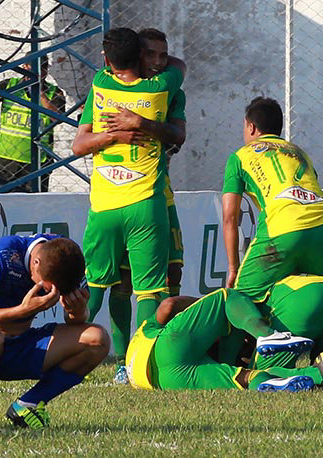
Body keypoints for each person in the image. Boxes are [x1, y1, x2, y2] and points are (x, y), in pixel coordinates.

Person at [71, 27, 185, 382]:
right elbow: (180, 68)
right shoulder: (163, 86)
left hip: (132, 200)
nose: (157, 61)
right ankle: (132, 363)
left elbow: (179, 135)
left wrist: (138, 126)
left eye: (162, 56)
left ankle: (143, 357)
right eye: (149, 54)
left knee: (163, 277)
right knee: (134, 285)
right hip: (144, 202)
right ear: (137, 56)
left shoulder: (100, 84)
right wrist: (128, 129)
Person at [0, 234, 109, 431]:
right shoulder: (1, 257)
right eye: (48, 288)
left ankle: (28, 406)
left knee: (97, 339)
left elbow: (76, 320)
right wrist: (22, 310)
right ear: (35, 263)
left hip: (19, 345)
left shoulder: (66, 260)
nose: (52, 293)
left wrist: (77, 311)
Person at [125, 288, 323, 392]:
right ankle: (266, 334)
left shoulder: (138, 348)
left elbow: (168, 307)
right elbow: (168, 305)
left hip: (164, 382)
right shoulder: (146, 332)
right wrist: (212, 308)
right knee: (228, 297)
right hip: (166, 348)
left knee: (247, 378)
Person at [222, 97, 323, 302]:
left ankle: (262, 333)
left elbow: (230, 218)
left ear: (251, 127)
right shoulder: (299, 153)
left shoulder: (240, 157)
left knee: (240, 302)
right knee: (316, 297)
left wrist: (233, 268)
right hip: (322, 225)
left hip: (283, 227)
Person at [0, 54, 65, 192]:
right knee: (0, 203)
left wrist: (40, 93)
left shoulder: (54, 92)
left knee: (34, 207)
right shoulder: (10, 85)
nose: (40, 71)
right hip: (5, 160)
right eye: (34, 67)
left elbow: (58, 118)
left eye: (43, 67)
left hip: (37, 162)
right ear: (25, 67)